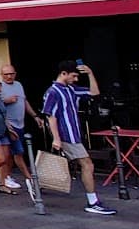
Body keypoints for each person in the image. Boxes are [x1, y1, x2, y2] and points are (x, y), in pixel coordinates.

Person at [44, 60, 116, 215]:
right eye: (74, 76)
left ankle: (37, 183)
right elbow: (51, 116)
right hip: (67, 134)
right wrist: (56, 138)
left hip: (72, 134)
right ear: (64, 74)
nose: (76, 79)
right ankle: (93, 201)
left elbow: (94, 93)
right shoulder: (54, 92)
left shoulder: (71, 89)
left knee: (76, 164)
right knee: (87, 164)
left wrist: (90, 73)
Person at [0, 63, 40, 191]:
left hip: (20, 123)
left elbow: (24, 101)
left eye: (11, 74)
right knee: (16, 152)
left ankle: (7, 177)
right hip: (8, 124)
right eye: (6, 74)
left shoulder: (18, 85)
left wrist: (34, 115)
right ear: (2, 75)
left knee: (13, 153)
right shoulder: (0, 87)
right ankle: (29, 178)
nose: (9, 76)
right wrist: (7, 100)